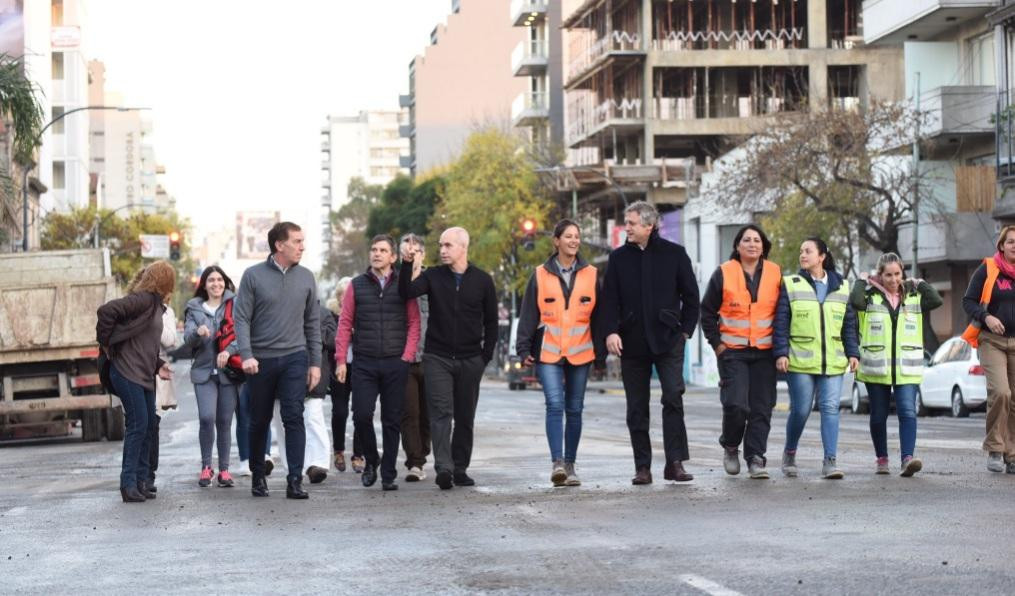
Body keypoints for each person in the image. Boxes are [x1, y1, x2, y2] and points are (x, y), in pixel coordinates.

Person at [601, 201, 700, 485]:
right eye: (627, 223)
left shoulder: (675, 254)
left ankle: (675, 463)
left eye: (631, 223)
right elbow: (609, 301)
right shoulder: (618, 258)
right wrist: (611, 332)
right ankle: (642, 467)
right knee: (636, 406)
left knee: (672, 397)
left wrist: (685, 332)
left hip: (669, 340)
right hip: (631, 343)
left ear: (649, 225)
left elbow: (691, 297)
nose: (627, 228)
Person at [399, 226, 498, 490]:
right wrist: (407, 264)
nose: (442, 250)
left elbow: (491, 322)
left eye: (448, 246)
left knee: (465, 416)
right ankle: (444, 468)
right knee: (441, 414)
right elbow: (406, 292)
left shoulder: (483, 281)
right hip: (437, 357)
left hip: (470, 359)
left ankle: (460, 468)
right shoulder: (433, 276)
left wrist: (484, 357)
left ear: (463, 247)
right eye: (440, 245)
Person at [234, 222, 322, 499]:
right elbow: (241, 318)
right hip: (260, 360)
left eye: (302, 240)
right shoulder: (253, 276)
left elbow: (312, 323)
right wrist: (246, 355)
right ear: (279, 245)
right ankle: (258, 476)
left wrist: (315, 363)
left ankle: (295, 479)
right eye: (297, 241)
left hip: (295, 357)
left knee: (293, 416)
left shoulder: (307, 277)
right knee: (258, 420)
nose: (302, 246)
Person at [516, 219, 604, 487]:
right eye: (568, 236)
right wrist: (523, 348)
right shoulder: (540, 274)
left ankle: (570, 464)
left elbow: (599, 318)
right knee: (554, 404)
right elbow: (528, 314)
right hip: (549, 352)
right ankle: (557, 463)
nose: (574, 241)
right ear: (556, 241)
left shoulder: (592, 274)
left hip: (581, 352)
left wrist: (600, 354)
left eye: (577, 236)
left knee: (575, 409)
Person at [336, 235, 420, 490]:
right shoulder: (357, 285)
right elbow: (345, 322)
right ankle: (371, 460)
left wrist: (406, 356)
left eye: (383, 250)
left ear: (393, 257)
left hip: (396, 362)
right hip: (364, 362)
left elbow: (414, 322)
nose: (377, 254)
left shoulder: (403, 285)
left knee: (392, 420)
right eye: (374, 249)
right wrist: (341, 359)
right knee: (361, 415)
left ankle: (388, 473)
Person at [699, 225, 782, 479]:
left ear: (763, 246)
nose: (752, 244)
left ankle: (756, 458)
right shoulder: (724, 273)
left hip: (765, 352)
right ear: (737, 246)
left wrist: (781, 349)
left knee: (762, 407)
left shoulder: (775, 273)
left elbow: (783, 312)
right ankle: (731, 445)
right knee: (736, 405)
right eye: (746, 240)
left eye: (757, 240)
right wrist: (718, 345)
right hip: (733, 351)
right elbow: (707, 312)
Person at [775, 237, 859, 479]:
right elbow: (781, 321)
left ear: (821, 256)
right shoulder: (791, 284)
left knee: (830, 408)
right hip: (800, 361)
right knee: (801, 409)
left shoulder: (842, 285)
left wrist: (853, 352)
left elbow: (848, 325)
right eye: (801, 251)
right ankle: (790, 452)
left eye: (808, 251)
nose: (803, 255)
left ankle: (830, 461)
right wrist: (781, 353)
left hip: (832, 360)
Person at [855, 252, 942, 476]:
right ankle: (882, 458)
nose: (893, 279)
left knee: (907, 412)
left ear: (902, 273)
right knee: (878, 415)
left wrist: (920, 282)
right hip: (877, 368)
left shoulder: (913, 297)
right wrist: (862, 280)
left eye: (897, 274)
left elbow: (936, 300)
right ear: (880, 275)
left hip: (907, 368)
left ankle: (907, 459)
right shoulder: (870, 297)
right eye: (888, 275)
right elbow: (854, 301)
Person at [96, 261, 175, 503]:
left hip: (143, 373)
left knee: (149, 424)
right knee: (139, 424)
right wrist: (107, 344)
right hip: (126, 372)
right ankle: (128, 483)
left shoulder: (155, 306)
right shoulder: (143, 300)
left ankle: (141, 481)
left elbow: (143, 344)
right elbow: (106, 311)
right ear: (164, 281)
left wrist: (158, 365)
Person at [962, 225, 1015, 474]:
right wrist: (987, 317)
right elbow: (968, 301)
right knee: (1001, 392)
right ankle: (995, 447)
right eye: (1011, 241)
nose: (1014, 245)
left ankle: (1012, 454)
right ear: (1002, 246)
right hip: (992, 340)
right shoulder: (988, 268)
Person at [183, 266, 240, 488]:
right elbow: (187, 338)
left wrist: (230, 351)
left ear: (225, 282)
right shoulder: (194, 308)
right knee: (207, 418)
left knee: (224, 422)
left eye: (219, 280)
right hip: (204, 372)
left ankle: (224, 470)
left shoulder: (235, 305)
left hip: (228, 372)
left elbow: (244, 334)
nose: (216, 284)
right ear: (204, 285)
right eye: (211, 280)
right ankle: (206, 466)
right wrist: (198, 334)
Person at [399, 233, 431, 482]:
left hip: (433, 357)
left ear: (423, 254)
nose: (411, 255)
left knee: (429, 413)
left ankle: (424, 452)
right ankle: (415, 462)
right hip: (404, 359)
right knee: (409, 412)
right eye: (406, 252)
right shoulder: (396, 282)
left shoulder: (435, 280)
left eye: (416, 251)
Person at [326, 278, 364, 474]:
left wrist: (355, 332)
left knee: (361, 412)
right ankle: (338, 450)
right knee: (340, 411)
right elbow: (329, 340)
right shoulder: (331, 316)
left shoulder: (363, 314)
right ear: (339, 297)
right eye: (344, 294)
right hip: (338, 369)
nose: (347, 298)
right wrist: (345, 331)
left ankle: (358, 454)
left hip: (360, 369)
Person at [302, 302, 338, 484]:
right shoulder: (284, 309)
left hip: (315, 375)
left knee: (313, 419)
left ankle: (319, 463)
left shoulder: (323, 313)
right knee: (287, 423)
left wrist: (314, 332)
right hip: (288, 373)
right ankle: (301, 465)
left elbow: (334, 340)